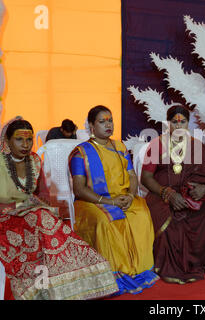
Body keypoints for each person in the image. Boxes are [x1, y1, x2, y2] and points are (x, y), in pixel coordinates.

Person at [0, 117, 118, 300]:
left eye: (29, 139)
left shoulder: (33, 161)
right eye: (19, 139)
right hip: (0, 220)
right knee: (44, 221)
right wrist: (21, 205)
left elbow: (44, 195)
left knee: (45, 219)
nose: (26, 145)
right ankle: (47, 290)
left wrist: (37, 205)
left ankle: (64, 287)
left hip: (33, 214)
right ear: (7, 141)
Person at [69, 105, 159, 294]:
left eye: (110, 120)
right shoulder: (81, 152)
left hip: (122, 197)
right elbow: (79, 188)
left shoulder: (120, 146)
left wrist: (129, 195)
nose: (108, 125)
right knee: (108, 220)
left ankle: (140, 268)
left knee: (141, 214)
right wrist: (108, 202)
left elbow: (132, 176)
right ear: (92, 126)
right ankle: (113, 273)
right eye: (102, 121)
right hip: (92, 202)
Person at [141, 105, 205, 284]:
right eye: (174, 122)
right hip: (162, 194)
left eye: (183, 122)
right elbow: (146, 178)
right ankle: (176, 265)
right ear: (168, 124)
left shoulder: (197, 146)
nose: (179, 126)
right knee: (172, 220)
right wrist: (168, 193)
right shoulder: (157, 144)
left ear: (188, 123)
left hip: (192, 194)